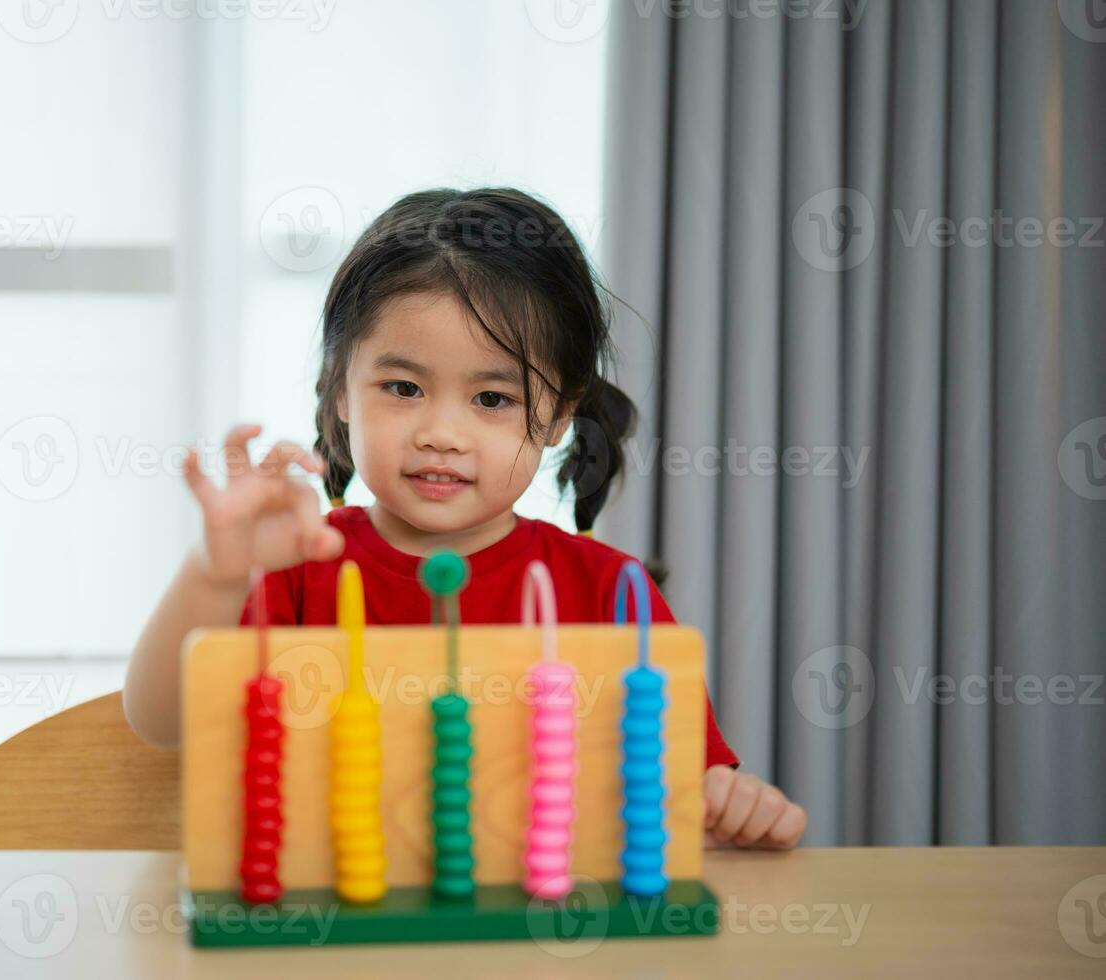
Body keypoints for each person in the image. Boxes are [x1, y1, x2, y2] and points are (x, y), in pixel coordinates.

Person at [125, 187, 805, 850]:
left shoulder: (611, 594)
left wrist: (730, 809)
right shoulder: (300, 570)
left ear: (558, 415)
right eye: (404, 388)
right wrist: (215, 571)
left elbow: (685, 797)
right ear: (339, 391)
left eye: (491, 397)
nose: (441, 432)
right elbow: (158, 721)